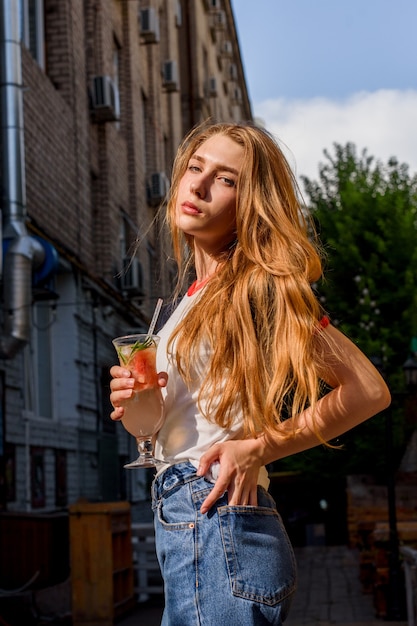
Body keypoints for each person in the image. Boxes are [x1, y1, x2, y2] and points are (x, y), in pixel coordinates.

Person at [109, 121, 391, 626]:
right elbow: (159, 430)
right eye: (194, 168)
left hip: (218, 519)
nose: (196, 186)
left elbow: (367, 391)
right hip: (192, 519)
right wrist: (136, 399)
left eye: (225, 179)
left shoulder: (257, 286)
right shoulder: (188, 303)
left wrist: (258, 447)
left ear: (251, 203)